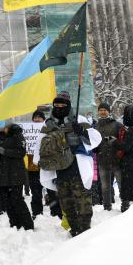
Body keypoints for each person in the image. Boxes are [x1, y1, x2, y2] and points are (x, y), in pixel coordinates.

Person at [42, 92, 93, 236]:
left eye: (62, 105)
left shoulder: (79, 120)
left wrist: (82, 131)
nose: (59, 107)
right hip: (59, 170)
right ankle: (75, 231)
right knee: (67, 204)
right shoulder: (48, 124)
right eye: (56, 105)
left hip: (77, 168)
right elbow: (41, 147)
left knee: (83, 203)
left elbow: (94, 143)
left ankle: (86, 232)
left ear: (68, 105)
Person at [0, 123, 34, 230]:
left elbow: (21, 152)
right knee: (7, 202)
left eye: (4, 126)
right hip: (2, 175)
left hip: (15, 174)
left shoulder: (17, 134)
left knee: (17, 200)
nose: (2, 129)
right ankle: (15, 223)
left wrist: (4, 151)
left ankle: (27, 224)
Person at [95, 102, 123, 210]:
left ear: (108, 111)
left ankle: (125, 203)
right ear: (98, 111)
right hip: (102, 159)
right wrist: (95, 147)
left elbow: (124, 138)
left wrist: (114, 140)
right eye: (101, 110)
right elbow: (92, 141)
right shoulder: (95, 125)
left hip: (116, 159)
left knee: (121, 183)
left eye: (105, 110)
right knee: (105, 186)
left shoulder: (116, 124)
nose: (103, 112)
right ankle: (107, 206)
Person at [27, 110, 46, 217]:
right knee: (35, 190)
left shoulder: (48, 129)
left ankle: (55, 211)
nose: (37, 119)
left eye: (39, 117)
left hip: (46, 164)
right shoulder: (28, 130)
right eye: (35, 117)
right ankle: (37, 212)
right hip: (32, 165)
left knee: (51, 189)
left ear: (43, 119)